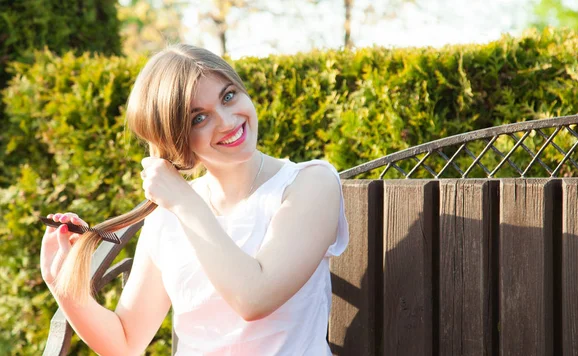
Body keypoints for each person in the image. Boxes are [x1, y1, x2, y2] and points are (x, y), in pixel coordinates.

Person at [40, 44, 349, 355]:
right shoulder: (170, 213)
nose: (228, 121)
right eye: (199, 118)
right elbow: (125, 343)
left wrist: (183, 202)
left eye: (228, 96)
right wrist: (64, 286)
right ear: (175, 137)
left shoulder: (310, 183)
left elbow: (254, 298)